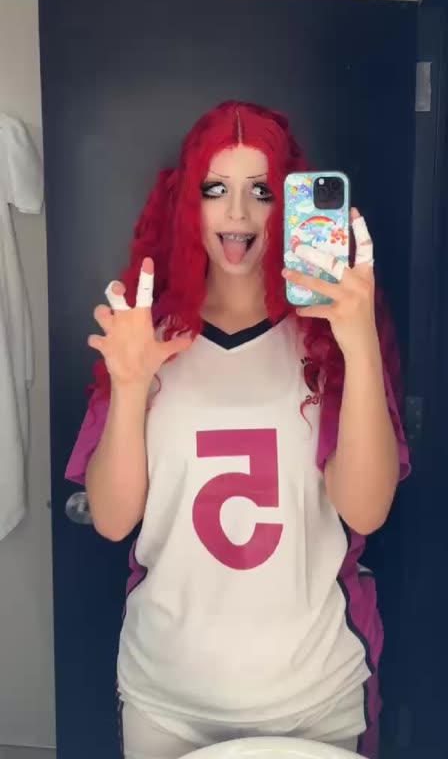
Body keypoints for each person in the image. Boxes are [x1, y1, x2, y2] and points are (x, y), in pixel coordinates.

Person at [66, 100, 410, 759]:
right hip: (167, 698)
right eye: (215, 189)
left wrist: (360, 343)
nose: (239, 213)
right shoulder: (148, 337)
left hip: (314, 696)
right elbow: (111, 519)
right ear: (187, 205)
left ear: (289, 206)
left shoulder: (330, 337)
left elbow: (366, 508)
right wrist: (129, 387)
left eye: (262, 191)